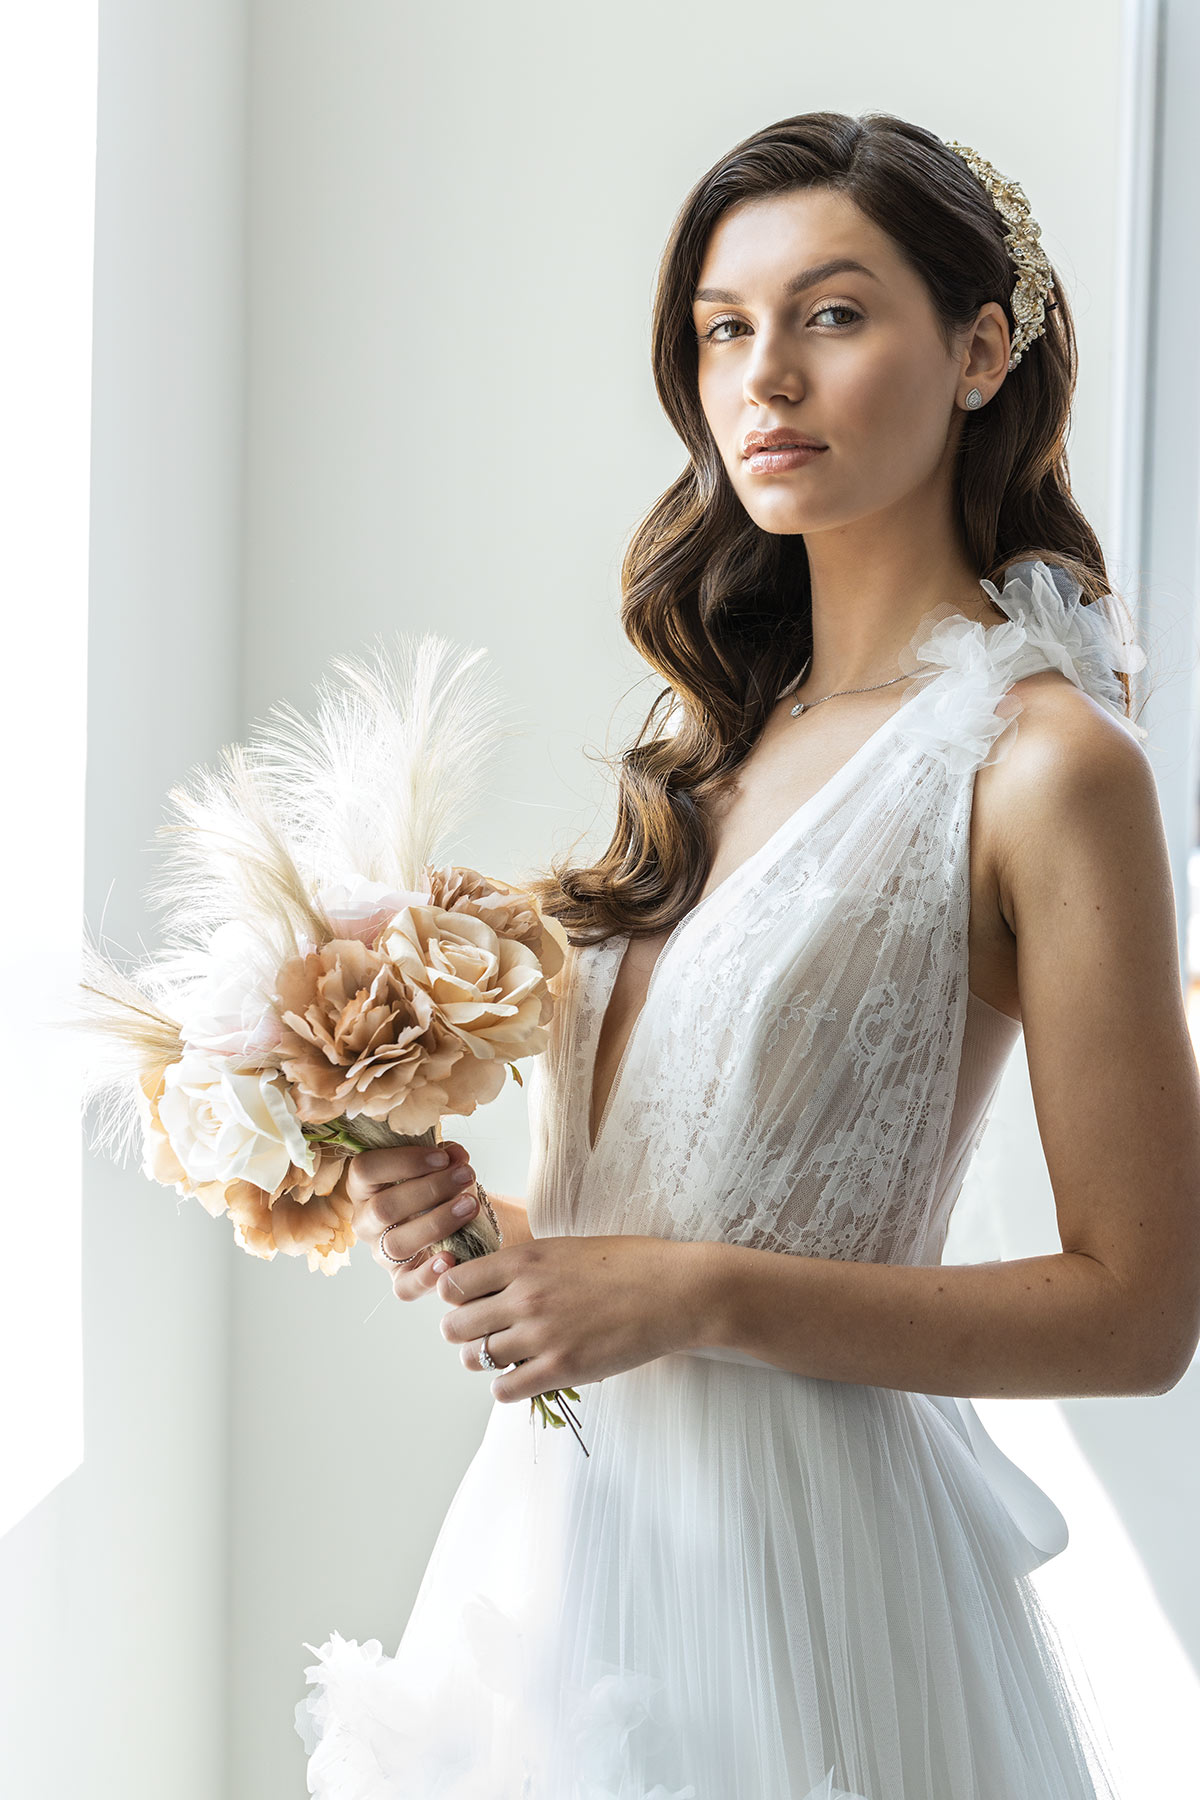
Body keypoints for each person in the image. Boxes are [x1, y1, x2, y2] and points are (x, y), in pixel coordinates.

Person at [295, 109, 1200, 1799]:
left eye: (834, 315)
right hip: (563, 1545)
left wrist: (690, 1293)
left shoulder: (1044, 765)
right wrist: (495, 1237)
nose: (764, 377)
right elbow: (652, 1221)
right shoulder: (716, 742)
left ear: (982, 348)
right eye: (725, 329)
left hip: (809, 1578)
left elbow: (1140, 1316)